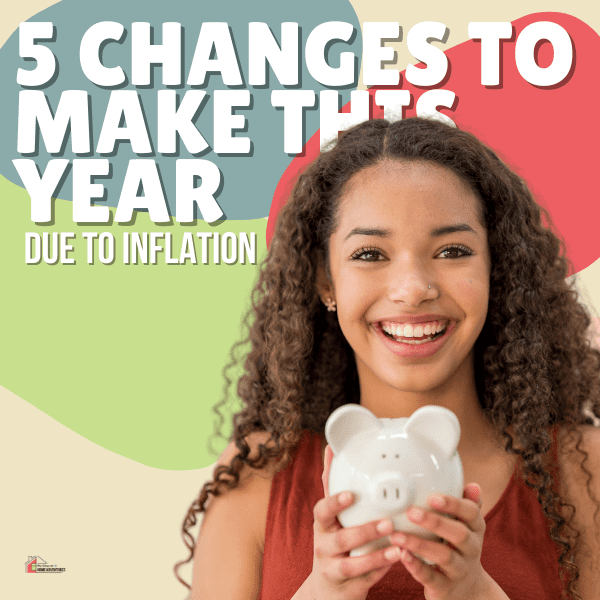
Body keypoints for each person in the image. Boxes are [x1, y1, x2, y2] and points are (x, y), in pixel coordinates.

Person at [175, 117, 600, 600]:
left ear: (494, 270)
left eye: (453, 250)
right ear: (325, 282)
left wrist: (475, 593)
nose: (413, 288)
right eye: (371, 254)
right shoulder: (259, 473)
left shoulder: (585, 470)